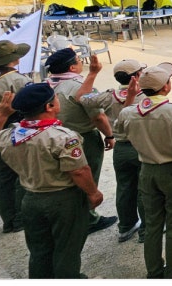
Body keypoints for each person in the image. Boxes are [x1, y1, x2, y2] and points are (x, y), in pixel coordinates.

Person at [0, 83, 104, 278]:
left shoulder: (10, 135)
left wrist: (2, 114)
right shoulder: (62, 137)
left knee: (39, 249)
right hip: (63, 200)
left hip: (30, 198)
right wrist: (93, 193)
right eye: (55, 99)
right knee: (67, 249)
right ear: (49, 107)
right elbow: (79, 171)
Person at [116, 63, 172, 279]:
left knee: (153, 224)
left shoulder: (129, 112)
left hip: (147, 169)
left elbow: (119, 131)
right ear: (166, 87)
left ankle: (154, 271)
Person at [45, 48, 118, 234]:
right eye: (78, 60)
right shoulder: (80, 85)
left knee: (65, 179)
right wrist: (109, 135)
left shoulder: (46, 84)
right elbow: (98, 117)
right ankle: (89, 219)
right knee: (87, 176)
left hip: (51, 136)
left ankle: (69, 216)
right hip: (82, 138)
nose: (81, 62)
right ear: (72, 66)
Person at [84, 59, 148, 243]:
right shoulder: (145, 96)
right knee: (145, 189)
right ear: (136, 76)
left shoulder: (108, 96)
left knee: (125, 187)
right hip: (141, 146)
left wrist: (92, 74)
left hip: (120, 146)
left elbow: (82, 98)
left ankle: (126, 226)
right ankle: (147, 228)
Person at [0, 40, 31, 234]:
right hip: (12, 130)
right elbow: (31, 103)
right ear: (14, 59)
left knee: (2, 177)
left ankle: (9, 218)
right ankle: (19, 217)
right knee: (20, 174)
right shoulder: (16, 80)